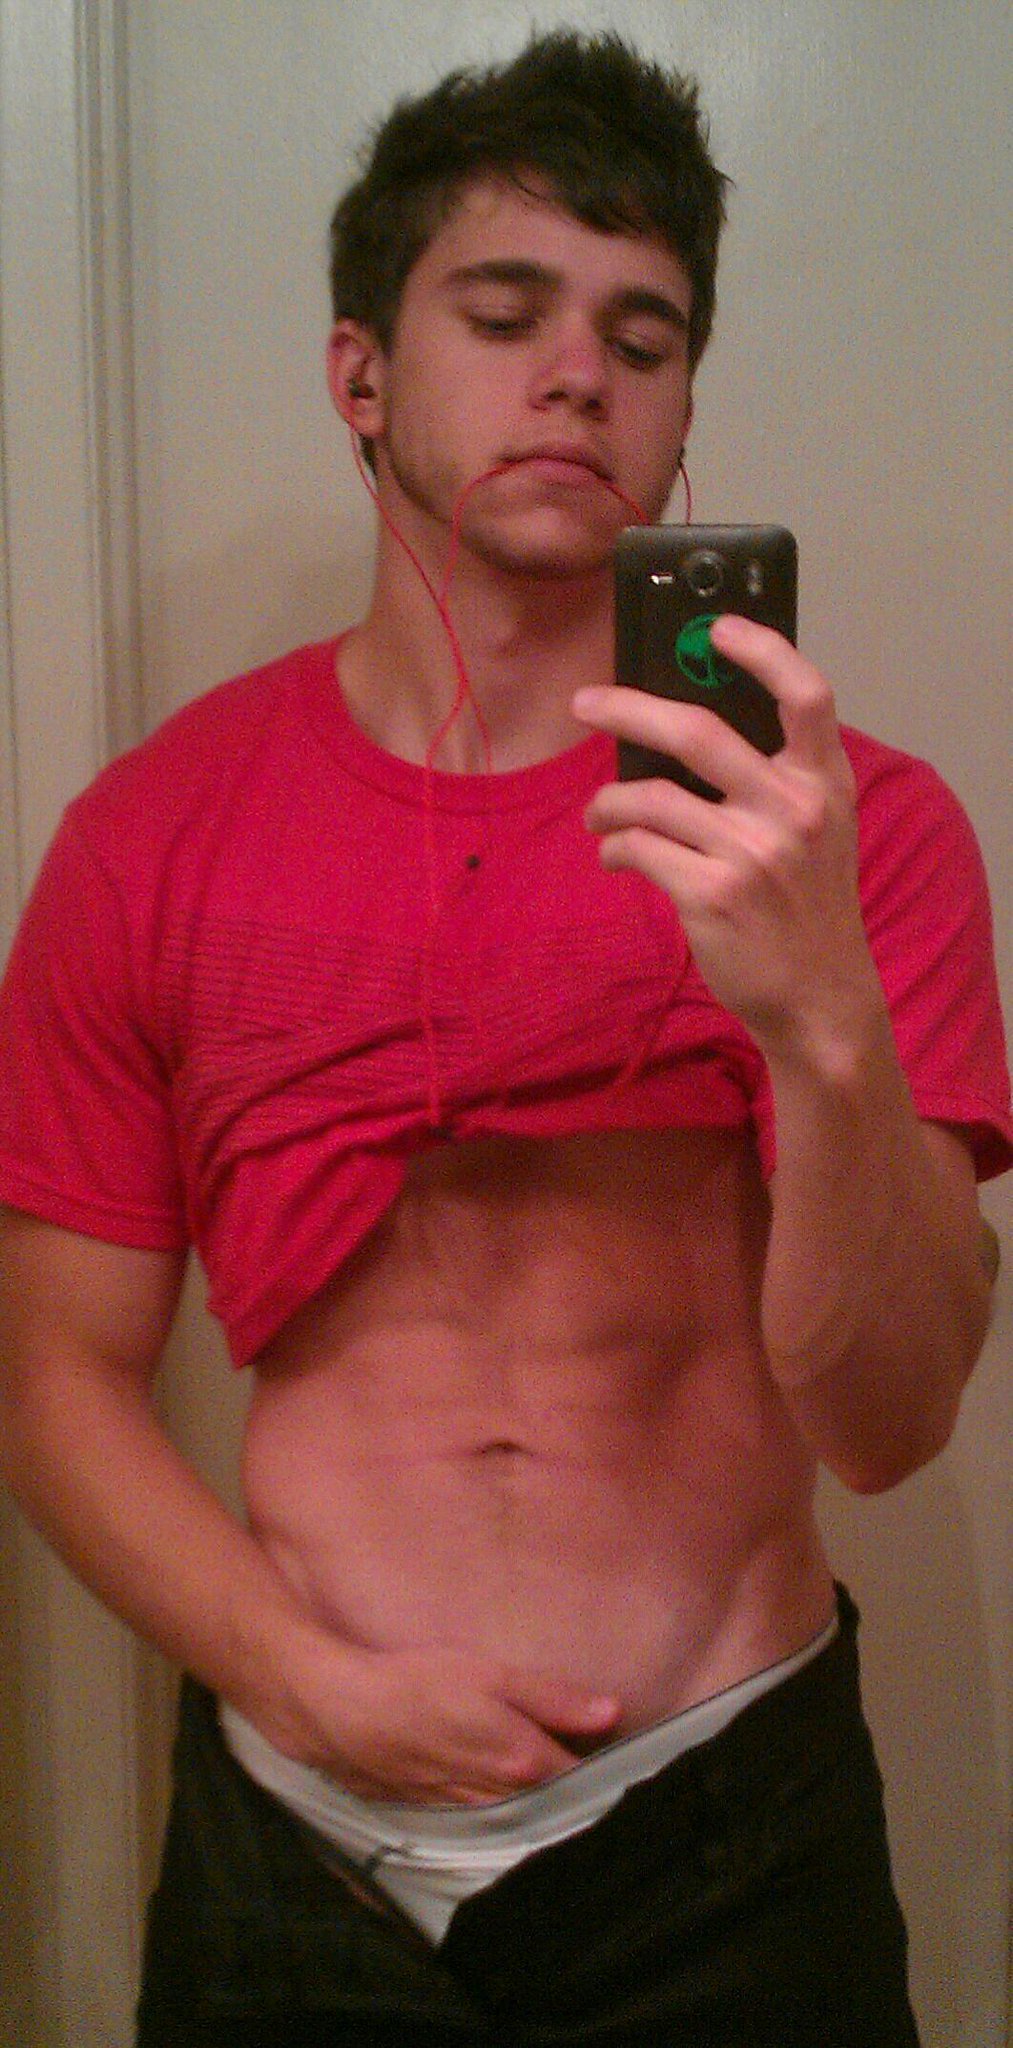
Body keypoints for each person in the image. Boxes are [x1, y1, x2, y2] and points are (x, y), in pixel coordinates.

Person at [0, 28, 1009, 2048]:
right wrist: (298, 1680)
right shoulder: (151, 836)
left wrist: (818, 1013)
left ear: (686, 404)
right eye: (503, 311)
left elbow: (892, 1421)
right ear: (361, 372)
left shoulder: (847, 832)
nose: (579, 375)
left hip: (726, 1833)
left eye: (644, 336)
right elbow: (57, 1377)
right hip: (295, 1836)